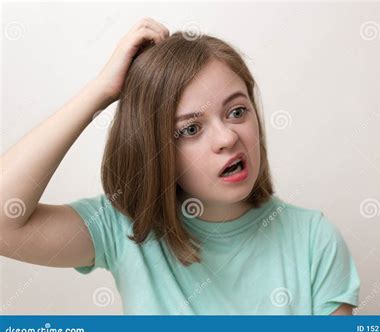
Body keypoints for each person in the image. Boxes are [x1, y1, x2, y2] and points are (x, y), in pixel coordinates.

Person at [0, 17, 360, 315]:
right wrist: (101, 91)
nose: (227, 138)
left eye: (237, 111)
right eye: (190, 129)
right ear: (154, 149)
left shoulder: (314, 240)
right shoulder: (124, 229)